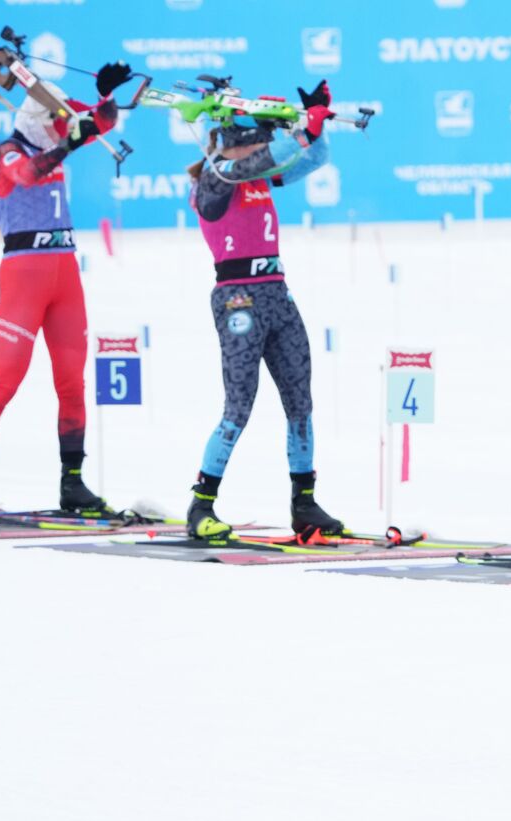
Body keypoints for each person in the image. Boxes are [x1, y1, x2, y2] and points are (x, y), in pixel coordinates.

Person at [0, 65, 133, 518]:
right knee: (5, 380)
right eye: (54, 120)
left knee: (72, 382)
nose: (62, 125)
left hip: (64, 272)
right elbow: (29, 174)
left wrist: (104, 95)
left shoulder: (56, 139)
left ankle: (73, 483)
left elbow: (102, 122)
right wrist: (70, 140)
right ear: (37, 120)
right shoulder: (5, 153)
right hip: (24, 276)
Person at [183, 80, 344, 540]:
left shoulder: (253, 176)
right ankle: (201, 505)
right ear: (238, 142)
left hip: (277, 293)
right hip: (239, 299)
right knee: (239, 405)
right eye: (257, 139)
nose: (262, 147)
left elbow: (314, 160)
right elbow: (259, 159)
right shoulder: (213, 178)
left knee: (301, 402)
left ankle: (305, 503)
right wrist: (296, 131)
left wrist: (315, 128)